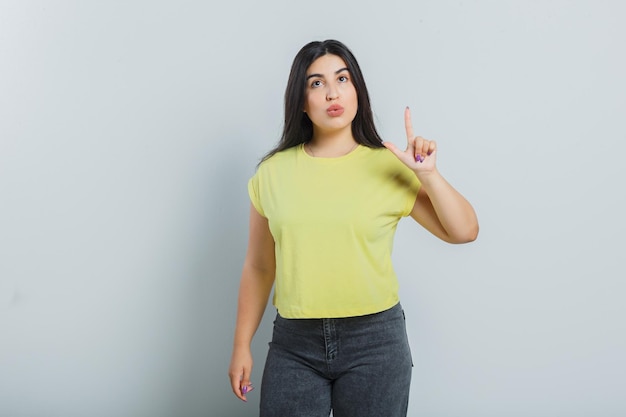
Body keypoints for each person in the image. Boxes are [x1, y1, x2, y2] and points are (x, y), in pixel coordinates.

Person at [228, 39, 478, 417]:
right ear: (300, 100)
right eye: (316, 83)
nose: (332, 92)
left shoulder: (389, 166)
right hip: (295, 345)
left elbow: (464, 231)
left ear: (356, 89)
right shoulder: (272, 173)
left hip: (375, 342)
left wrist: (429, 174)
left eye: (342, 78)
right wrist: (241, 344)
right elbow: (260, 266)